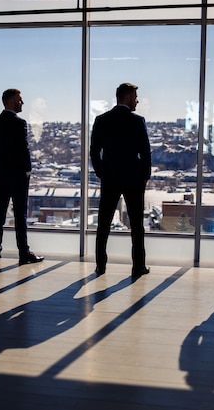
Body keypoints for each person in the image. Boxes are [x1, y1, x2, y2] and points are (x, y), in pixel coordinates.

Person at [90, 82, 152, 280]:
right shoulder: (137, 121)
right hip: (133, 179)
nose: (137, 101)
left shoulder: (101, 120)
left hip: (110, 178)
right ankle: (138, 266)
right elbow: (145, 151)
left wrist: (101, 172)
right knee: (136, 225)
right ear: (126, 97)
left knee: (104, 223)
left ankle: (100, 265)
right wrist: (145, 176)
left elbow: (93, 151)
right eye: (135, 97)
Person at [0, 88, 44, 265]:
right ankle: (23, 253)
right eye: (19, 100)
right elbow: (23, 149)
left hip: (2, 176)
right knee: (20, 216)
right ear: (11, 102)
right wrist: (27, 170)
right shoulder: (20, 123)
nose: (22, 103)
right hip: (18, 176)